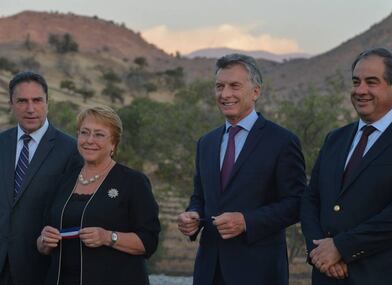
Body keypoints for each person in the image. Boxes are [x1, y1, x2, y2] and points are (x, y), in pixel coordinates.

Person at [177, 53, 306, 285]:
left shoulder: (282, 141)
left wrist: (247, 221)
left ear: (256, 91)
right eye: (219, 86)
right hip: (209, 270)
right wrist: (193, 214)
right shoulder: (206, 143)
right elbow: (199, 196)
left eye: (234, 86)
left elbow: (296, 203)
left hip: (258, 271)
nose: (225, 94)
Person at [301, 47, 392, 285]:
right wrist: (319, 253)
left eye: (371, 82)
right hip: (326, 276)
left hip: (383, 276)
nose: (360, 90)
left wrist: (341, 248)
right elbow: (311, 199)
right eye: (356, 82)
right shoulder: (335, 138)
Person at [37, 106, 160, 285]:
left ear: (113, 143)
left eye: (99, 135)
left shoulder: (133, 182)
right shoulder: (62, 181)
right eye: (84, 133)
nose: (89, 140)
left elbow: (149, 241)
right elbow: (42, 242)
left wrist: (108, 237)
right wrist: (44, 241)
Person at [0, 71, 82, 285]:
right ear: (11, 103)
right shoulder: (1, 143)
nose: (30, 109)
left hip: (42, 268)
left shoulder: (72, 150)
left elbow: (74, 211)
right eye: (22, 101)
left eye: (37, 100)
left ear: (47, 102)